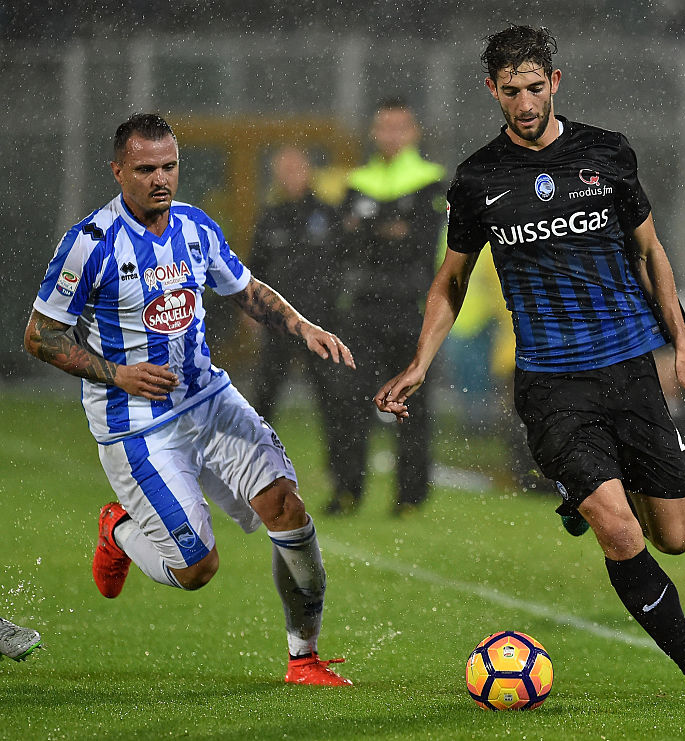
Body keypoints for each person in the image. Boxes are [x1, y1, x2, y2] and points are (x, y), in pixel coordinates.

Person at [374, 25, 685, 704]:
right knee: (620, 528)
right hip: (549, 380)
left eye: (535, 86)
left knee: (676, 536)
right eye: (511, 90)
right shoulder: (479, 178)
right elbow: (450, 281)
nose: (525, 100)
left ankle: (584, 487)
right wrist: (420, 362)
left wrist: (683, 347)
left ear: (555, 83)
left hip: (629, 367)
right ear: (493, 91)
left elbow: (652, 254)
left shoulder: (608, 154)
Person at [23, 113, 357, 685]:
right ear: (118, 171)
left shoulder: (197, 227)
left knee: (287, 507)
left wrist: (304, 327)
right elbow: (40, 335)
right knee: (197, 568)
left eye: (170, 166)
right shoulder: (89, 244)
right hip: (137, 427)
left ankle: (304, 658)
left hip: (208, 399)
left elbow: (245, 289)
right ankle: (121, 531)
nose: (161, 179)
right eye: (146, 168)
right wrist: (116, 373)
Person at [326, 98, 447, 516]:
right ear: (373, 132)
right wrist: (389, 229)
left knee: (412, 404)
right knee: (349, 401)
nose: (391, 135)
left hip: (412, 308)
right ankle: (347, 492)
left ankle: (410, 496)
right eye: (384, 127)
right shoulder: (357, 181)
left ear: (413, 132)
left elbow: (421, 244)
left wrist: (371, 229)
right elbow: (342, 246)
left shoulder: (431, 181)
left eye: (400, 127)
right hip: (361, 308)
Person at [248, 146, 350, 503]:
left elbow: (344, 266)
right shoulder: (271, 217)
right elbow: (252, 273)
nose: (290, 176)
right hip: (278, 327)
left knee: (335, 403)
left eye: (296, 168)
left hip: (320, 327)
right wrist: (251, 316)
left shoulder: (328, 214)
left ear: (309, 171)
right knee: (261, 404)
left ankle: (343, 486)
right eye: (283, 169)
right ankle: (253, 479)